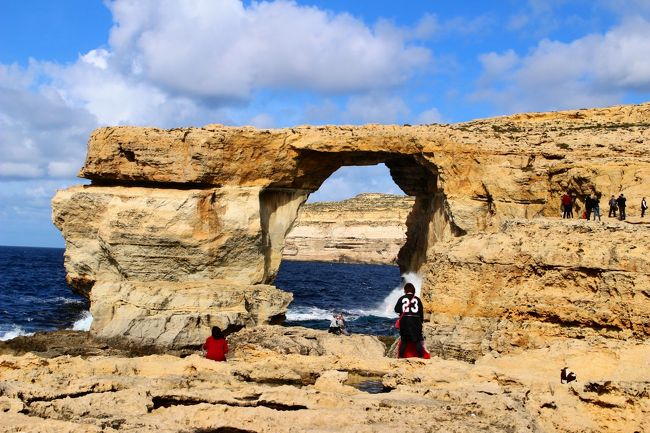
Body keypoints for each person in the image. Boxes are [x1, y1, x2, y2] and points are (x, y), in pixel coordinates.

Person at [394, 283, 425, 358]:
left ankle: (400, 358)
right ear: (413, 291)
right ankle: (421, 357)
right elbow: (421, 312)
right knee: (417, 341)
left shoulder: (402, 298)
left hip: (404, 321)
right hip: (415, 322)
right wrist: (421, 322)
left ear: (405, 290)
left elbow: (396, 309)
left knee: (404, 341)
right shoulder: (417, 299)